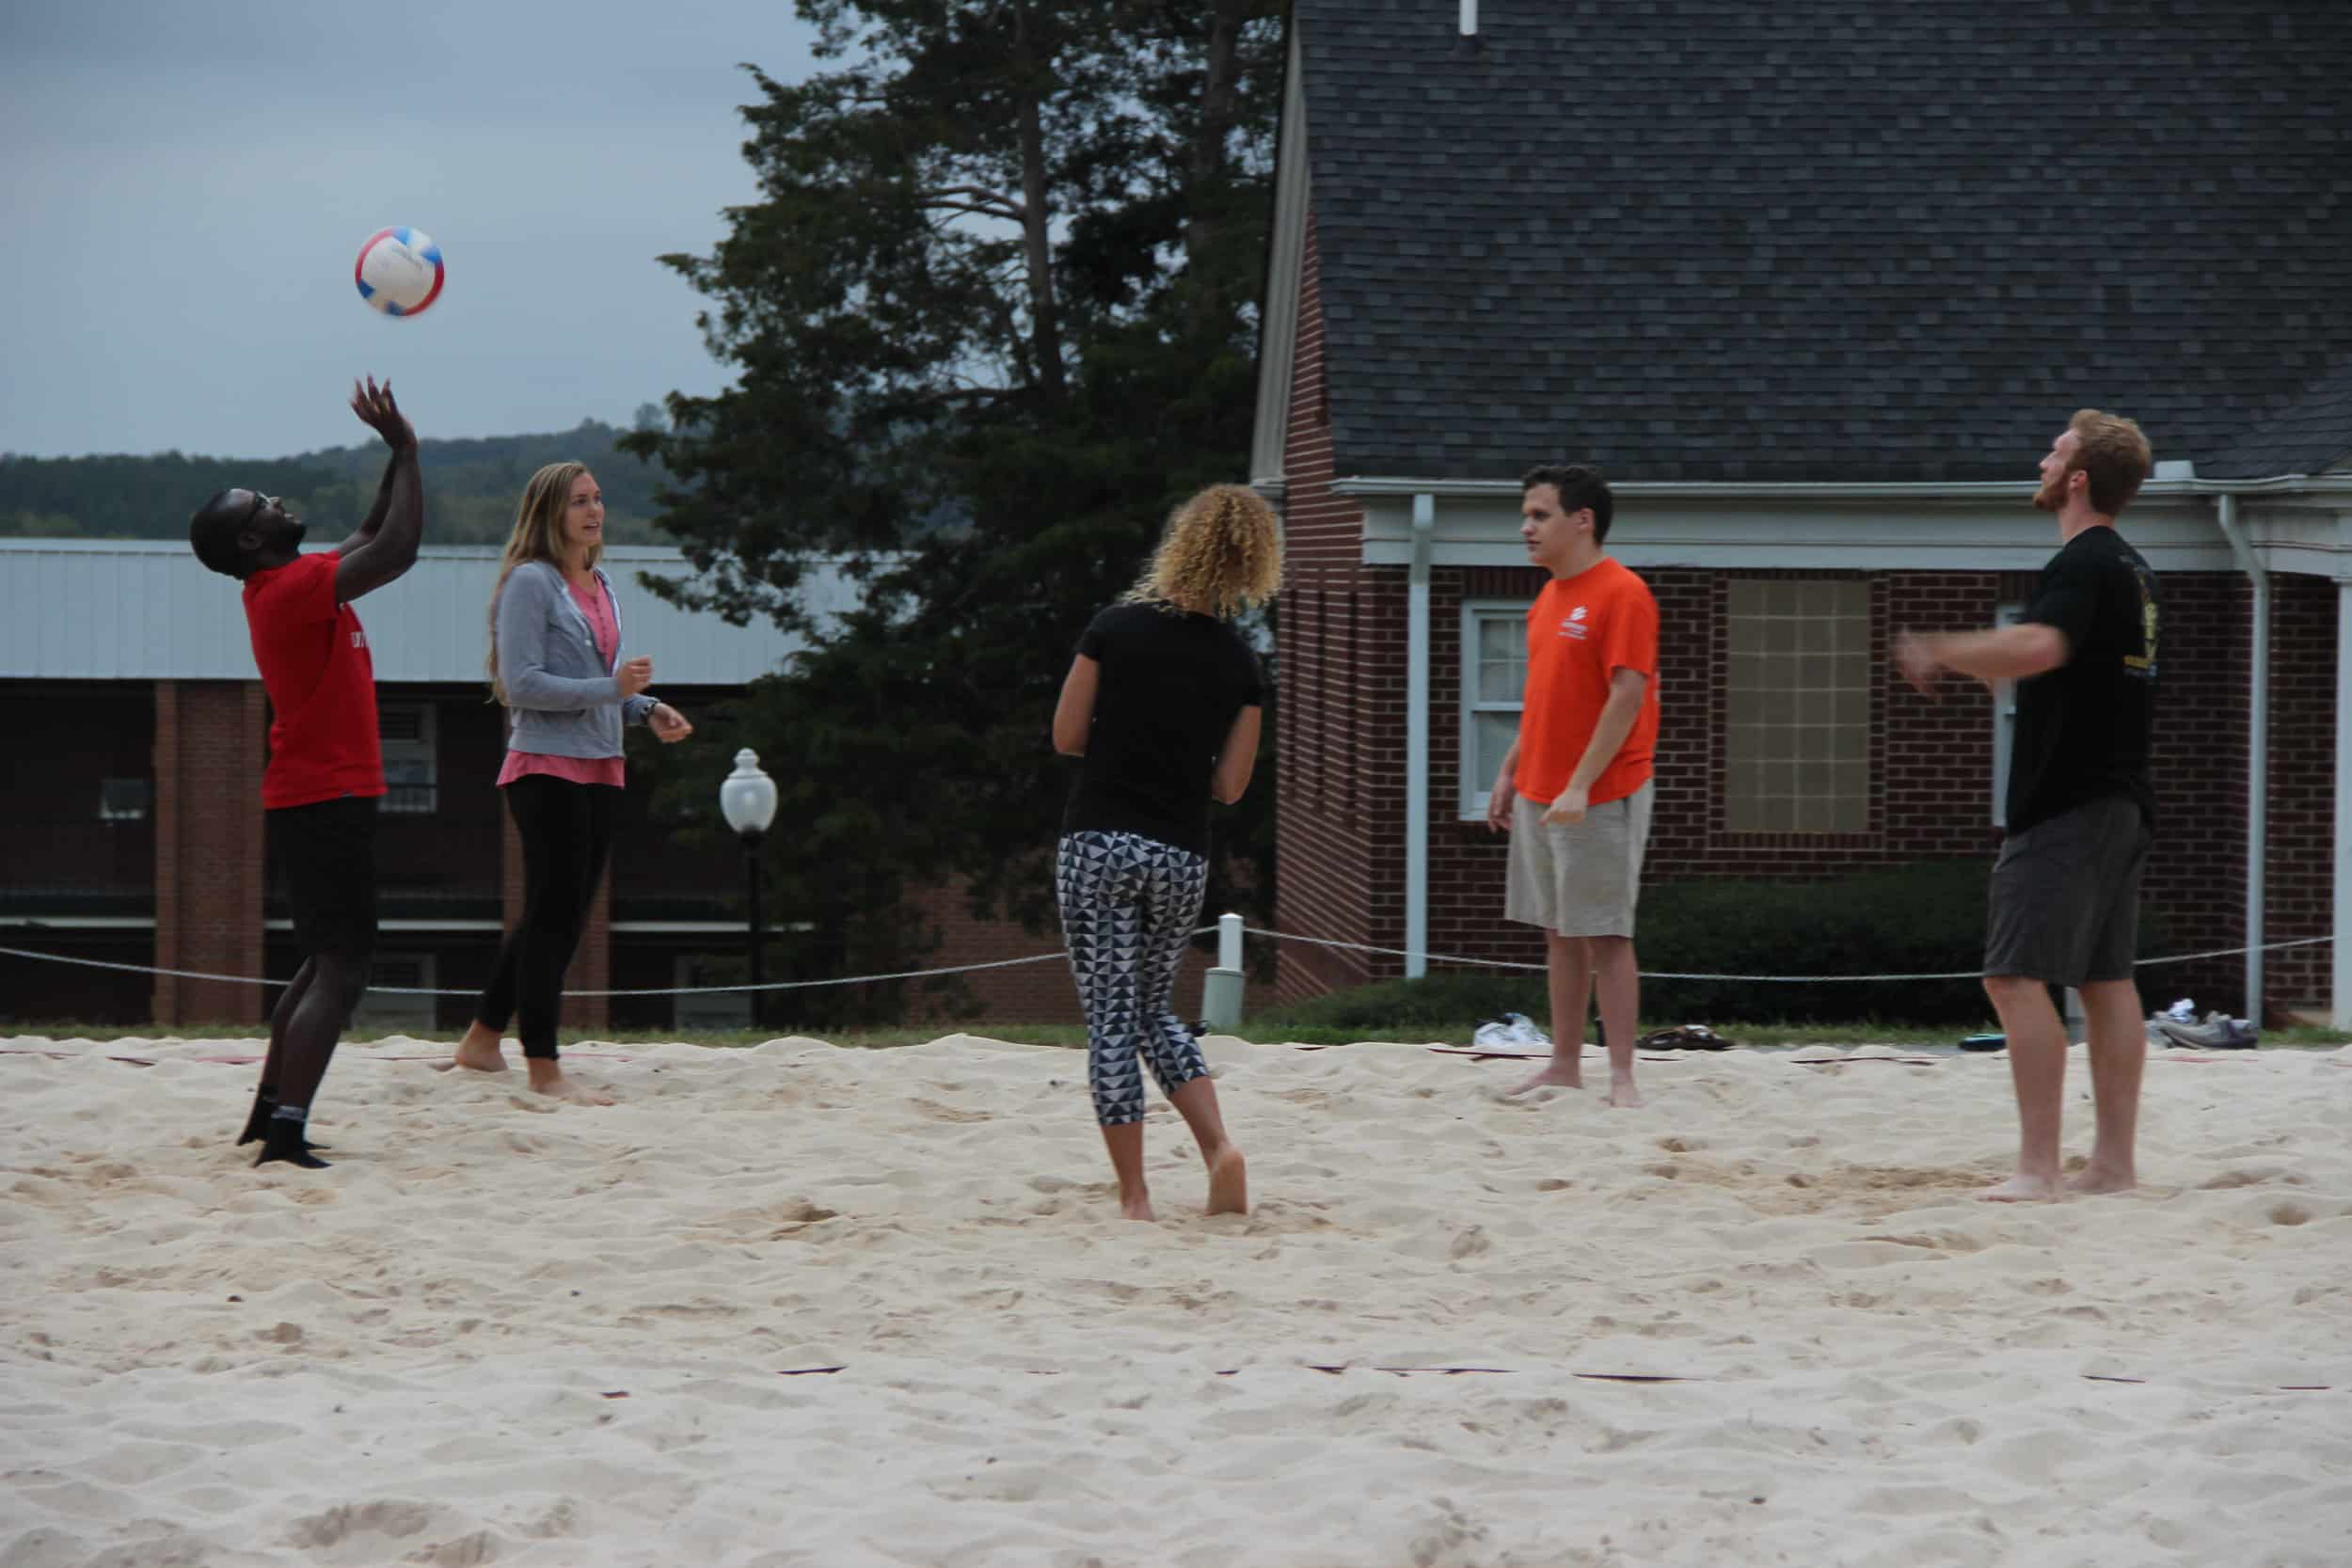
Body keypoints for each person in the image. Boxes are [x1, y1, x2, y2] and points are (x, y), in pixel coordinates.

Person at [1898, 409, 2158, 1203]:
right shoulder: (2132, 568)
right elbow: (2072, 670)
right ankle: (2111, 1164)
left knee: (2013, 976)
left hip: (2067, 802)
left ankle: (2038, 1168)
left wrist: (1943, 648)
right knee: (2105, 980)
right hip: (2120, 799)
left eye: (2055, 451)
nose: (2042, 458)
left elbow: (2042, 645)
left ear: (2078, 478)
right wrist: (1991, 665)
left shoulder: (2082, 563)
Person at [188, 377, 421, 1169]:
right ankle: (286, 1129)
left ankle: (266, 1113)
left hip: (316, 795)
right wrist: (412, 452)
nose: (280, 503)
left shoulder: (290, 583)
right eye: (265, 505)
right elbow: (397, 551)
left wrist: (394, 453)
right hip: (327, 795)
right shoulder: (286, 591)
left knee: (322, 962)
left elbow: (367, 529)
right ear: (253, 542)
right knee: (344, 968)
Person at [1050, 483, 1277, 1221]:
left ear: (1180, 542)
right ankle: (1218, 1149)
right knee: (1153, 1011)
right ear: (1250, 565)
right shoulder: (1241, 665)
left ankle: (1136, 1194)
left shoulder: (1113, 629)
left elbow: (1065, 734)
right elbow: (1232, 785)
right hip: (1179, 854)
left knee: (1112, 1022)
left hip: (1099, 842)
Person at [441, 463, 692, 1103]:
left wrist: (645, 707)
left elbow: (601, 676)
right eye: (579, 501)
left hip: (602, 764)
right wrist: (614, 689)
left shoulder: (601, 583)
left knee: (558, 913)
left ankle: (481, 1039)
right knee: (555, 918)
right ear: (550, 512)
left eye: (599, 498)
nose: (594, 510)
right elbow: (520, 685)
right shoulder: (531, 583)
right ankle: (544, 1067)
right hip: (544, 767)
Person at [1485, 464, 1660, 1109]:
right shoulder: (1548, 597)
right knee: (1558, 930)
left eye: (1539, 514)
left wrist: (1581, 785)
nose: (1525, 527)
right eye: (1525, 515)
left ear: (1581, 520)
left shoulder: (1623, 593)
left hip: (1601, 791)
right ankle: (1563, 1063)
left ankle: (1621, 1074)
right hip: (1540, 789)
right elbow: (1544, 700)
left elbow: (1628, 695)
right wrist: (1508, 770)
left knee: (1606, 933)